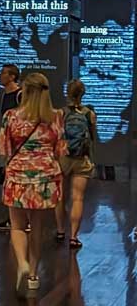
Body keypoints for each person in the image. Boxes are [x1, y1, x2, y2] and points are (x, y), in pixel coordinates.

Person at [0, 71, 66, 295]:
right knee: (37, 226)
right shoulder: (56, 116)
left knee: (17, 226)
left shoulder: (11, 116)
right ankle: (34, 276)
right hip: (45, 178)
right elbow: (61, 150)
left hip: (17, 175)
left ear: (24, 91)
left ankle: (22, 265)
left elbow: (4, 149)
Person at [54, 79, 97, 248]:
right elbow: (92, 138)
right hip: (82, 159)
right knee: (78, 198)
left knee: (60, 197)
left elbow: (56, 136)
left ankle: (60, 231)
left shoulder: (60, 113)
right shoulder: (89, 114)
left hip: (63, 158)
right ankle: (73, 237)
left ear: (67, 93)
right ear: (83, 93)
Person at [0, 64, 22, 230]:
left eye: (4, 73)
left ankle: (19, 219)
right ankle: (9, 217)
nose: (0, 75)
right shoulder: (4, 94)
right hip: (7, 143)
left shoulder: (19, 94)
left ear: (12, 76)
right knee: (5, 179)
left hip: (17, 145)